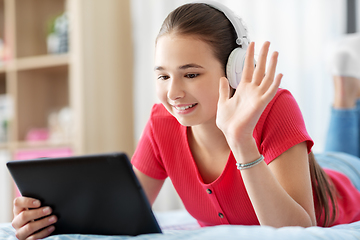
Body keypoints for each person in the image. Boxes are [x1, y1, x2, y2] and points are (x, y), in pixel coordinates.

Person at [10, 2, 360, 240]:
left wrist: (241, 139)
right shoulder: (163, 121)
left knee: (346, 155)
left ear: (235, 70)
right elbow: (118, 212)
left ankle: (344, 95)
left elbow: (298, 230)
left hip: (344, 180)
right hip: (298, 160)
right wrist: (47, 219)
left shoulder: (273, 107)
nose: (174, 92)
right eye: (163, 76)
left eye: (190, 74)